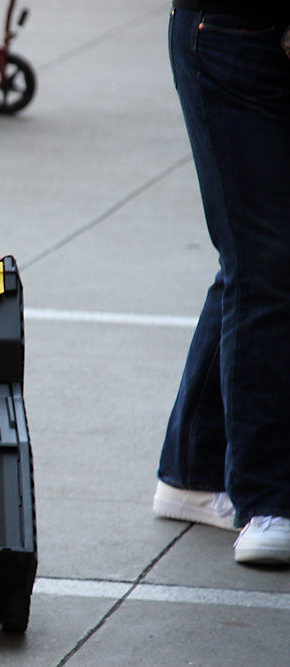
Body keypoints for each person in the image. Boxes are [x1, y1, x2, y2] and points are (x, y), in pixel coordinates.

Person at [152, 1, 290, 565]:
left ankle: (193, 469)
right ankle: (267, 498)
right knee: (267, 262)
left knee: (256, 258)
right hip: (237, 31)